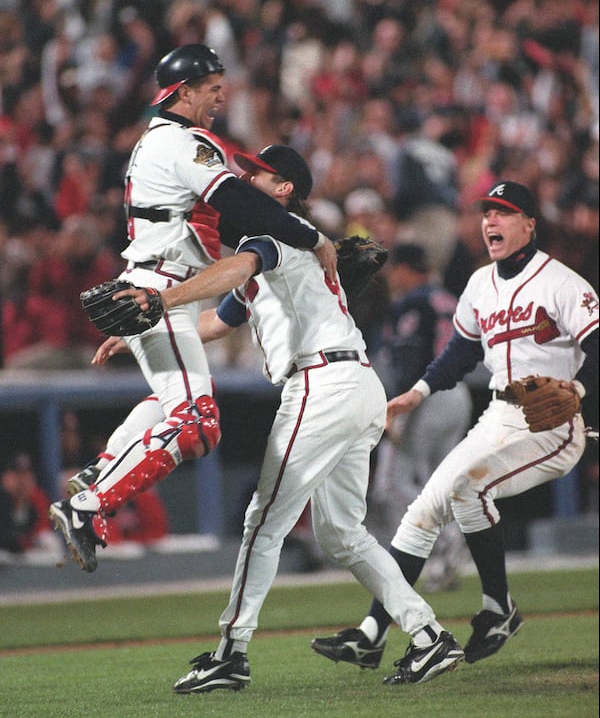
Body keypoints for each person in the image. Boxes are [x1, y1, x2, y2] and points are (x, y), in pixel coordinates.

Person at [97, 147, 465, 691]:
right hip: (353, 383)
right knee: (342, 534)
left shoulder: (281, 231)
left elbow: (239, 267)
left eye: (258, 174)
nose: (245, 179)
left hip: (323, 384)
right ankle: (429, 636)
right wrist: (140, 337)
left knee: (261, 521)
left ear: (285, 187)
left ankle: (230, 653)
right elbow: (217, 325)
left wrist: (161, 298)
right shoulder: (282, 246)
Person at [49, 43, 337, 574]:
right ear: (182, 92)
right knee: (196, 425)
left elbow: (225, 221)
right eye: (211, 88)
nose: (220, 96)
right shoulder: (182, 140)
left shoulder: (160, 143)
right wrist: (310, 234)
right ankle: (89, 504)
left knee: (172, 404)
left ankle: (100, 473)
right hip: (159, 289)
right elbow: (240, 204)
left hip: (161, 289)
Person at [312, 181, 599, 668]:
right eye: (487, 213)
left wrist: (578, 391)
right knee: (420, 512)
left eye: (504, 213)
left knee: (468, 489)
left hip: (551, 424)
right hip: (497, 413)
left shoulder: (565, 284)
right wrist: (416, 393)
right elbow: (461, 352)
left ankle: (497, 606)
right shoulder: (479, 283)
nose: (492, 222)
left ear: (530, 224)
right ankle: (371, 633)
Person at [370, 243, 472, 592]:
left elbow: (411, 357)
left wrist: (398, 408)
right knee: (439, 482)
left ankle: (446, 539)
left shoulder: (413, 303)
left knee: (392, 482)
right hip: (458, 393)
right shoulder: (447, 298)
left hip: (423, 395)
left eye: (396, 268)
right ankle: (446, 555)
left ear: (408, 269)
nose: (392, 276)